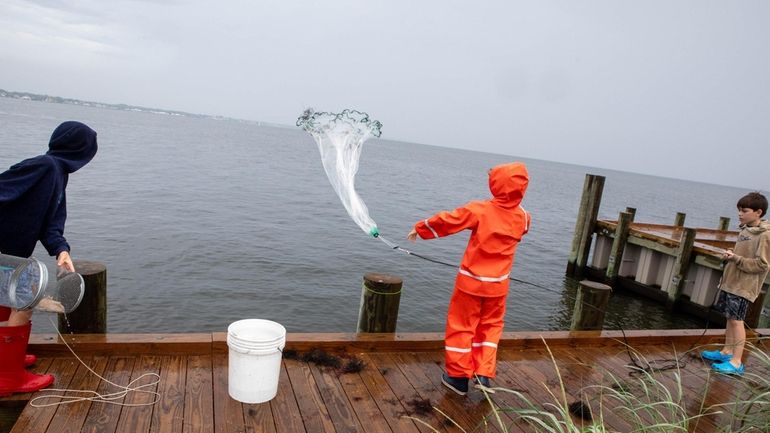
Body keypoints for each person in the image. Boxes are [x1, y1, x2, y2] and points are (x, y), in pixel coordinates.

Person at [407, 162, 530, 395]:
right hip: (498, 288)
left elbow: (449, 220)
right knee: (490, 329)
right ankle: (483, 375)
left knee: (461, 328)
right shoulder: (523, 217)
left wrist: (420, 229)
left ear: (494, 185)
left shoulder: (480, 210)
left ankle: (457, 378)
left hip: (470, 284)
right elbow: (517, 226)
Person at [0, 121, 98, 396]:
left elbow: (51, 223)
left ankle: (9, 358)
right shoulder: (45, 166)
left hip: (11, 255)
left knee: (9, 306)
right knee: (24, 302)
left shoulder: (57, 173)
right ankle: (8, 378)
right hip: (4, 253)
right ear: (81, 150)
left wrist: (61, 250)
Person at [701, 192, 769, 376]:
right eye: (739, 210)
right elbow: (743, 255)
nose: (740, 214)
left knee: (738, 321)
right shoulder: (745, 230)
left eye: (744, 210)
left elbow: (762, 265)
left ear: (758, 212)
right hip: (731, 282)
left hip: (743, 286)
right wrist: (732, 254)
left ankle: (736, 362)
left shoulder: (764, 235)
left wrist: (736, 258)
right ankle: (727, 352)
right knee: (730, 318)